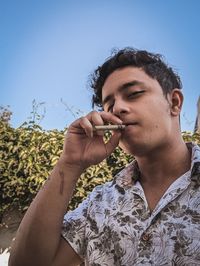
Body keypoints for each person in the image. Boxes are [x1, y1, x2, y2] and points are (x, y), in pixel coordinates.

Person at [9, 48, 200, 266]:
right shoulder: (100, 203)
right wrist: (69, 163)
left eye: (134, 94)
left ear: (174, 102)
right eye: (109, 104)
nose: (117, 108)